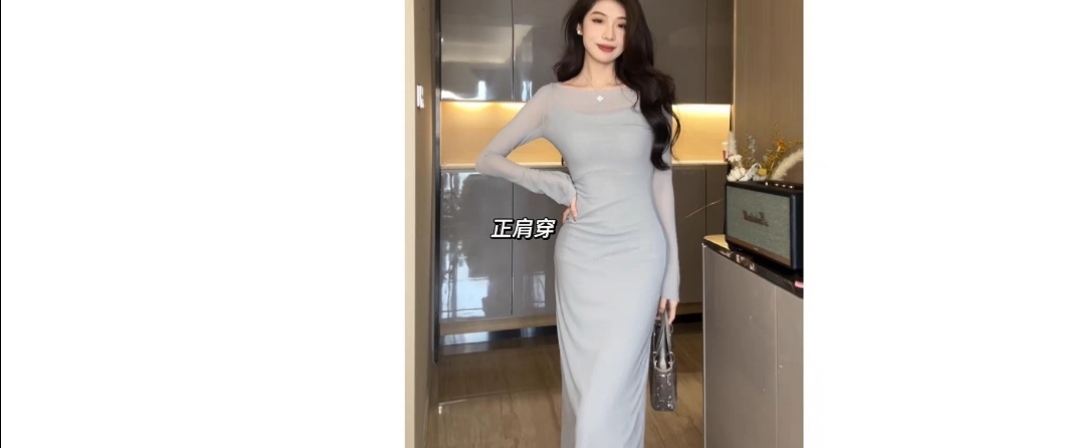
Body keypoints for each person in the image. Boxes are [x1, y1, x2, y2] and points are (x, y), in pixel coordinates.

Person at [473, 0, 682, 446]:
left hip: (640, 260)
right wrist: (554, 184)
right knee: (586, 396)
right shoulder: (552, 99)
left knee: (609, 398)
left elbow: (662, 187)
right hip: (581, 262)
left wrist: (673, 276)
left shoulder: (648, 96)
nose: (609, 33)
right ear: (581, 28)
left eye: (621, 25)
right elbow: (487, 158)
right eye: (599, 20)